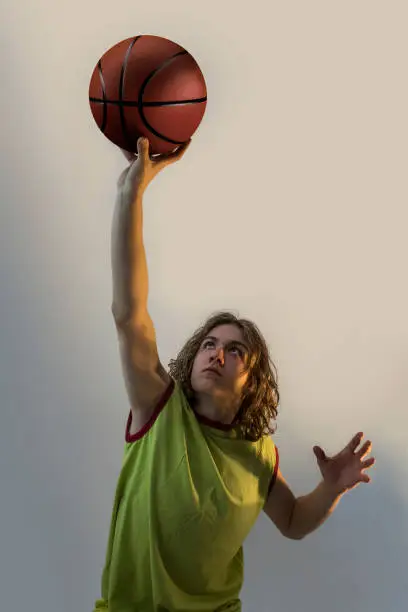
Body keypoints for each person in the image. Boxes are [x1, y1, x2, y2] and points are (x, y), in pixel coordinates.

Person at [93, 137, 375, 612]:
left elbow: (292, 521)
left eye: (233, 350)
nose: (215, 354)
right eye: (208, 343)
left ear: (254, 381)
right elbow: (130, 313)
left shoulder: (258, 454)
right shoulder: (159, 409)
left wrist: (331, 488)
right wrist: (131, 194)